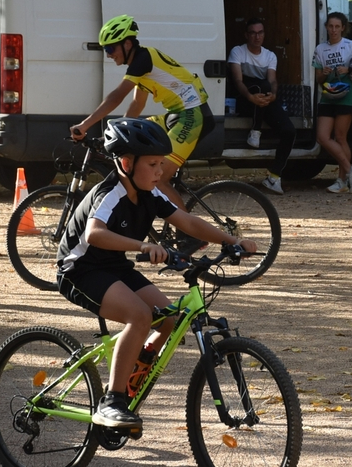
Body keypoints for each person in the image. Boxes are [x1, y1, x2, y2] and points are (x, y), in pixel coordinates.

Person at [56, 118, 257, 428]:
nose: (161, 171)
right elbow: (95, 234)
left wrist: (233, 241)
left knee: (168, 320)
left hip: (113, 266)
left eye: (161, 163)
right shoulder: (110, 193)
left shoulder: (150, 192)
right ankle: (112, 401)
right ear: (126, 163)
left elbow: (187, 222)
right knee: (140, 316)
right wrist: (143, 246)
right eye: (153, 164)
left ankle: (131, 378)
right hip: (80, 269)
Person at [70, 15, 214, 208]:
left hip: (191, 115)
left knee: (159, 177)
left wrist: (85, 125)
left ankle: (189, 235)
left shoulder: (143, 59)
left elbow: (117, 96)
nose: (108, 54)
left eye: (110, 48)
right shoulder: (141, 66)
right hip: (175, 114)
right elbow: (137, 105)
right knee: (138, 137)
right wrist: (116, 135)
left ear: (127, 44)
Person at [227, 18, 297, 195]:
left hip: (264, 100)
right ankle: (255, 130)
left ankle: (274, 177)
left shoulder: (270, 55)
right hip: (244, 99)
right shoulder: (238, 51)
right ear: (246, 35)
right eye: (253, 33)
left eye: (260, 33)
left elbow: (273, 80)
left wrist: (272, 95)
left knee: (289, 131)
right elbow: (237, 81)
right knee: (261, 85)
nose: (257, 37)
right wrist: (251, 97)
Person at [313, 12, 352, 194]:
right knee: (322, 137)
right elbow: (318, 79)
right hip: (328, 94)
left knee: (340, 137)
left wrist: (350, 69)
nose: (334, 30)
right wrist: (324, 72)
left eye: (337, 27)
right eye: (330, 26)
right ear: (326, 28)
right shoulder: (320, 49)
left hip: (347, 94)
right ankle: (350, 169)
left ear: (343, 28)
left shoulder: (351, 46)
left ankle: (342, 181)